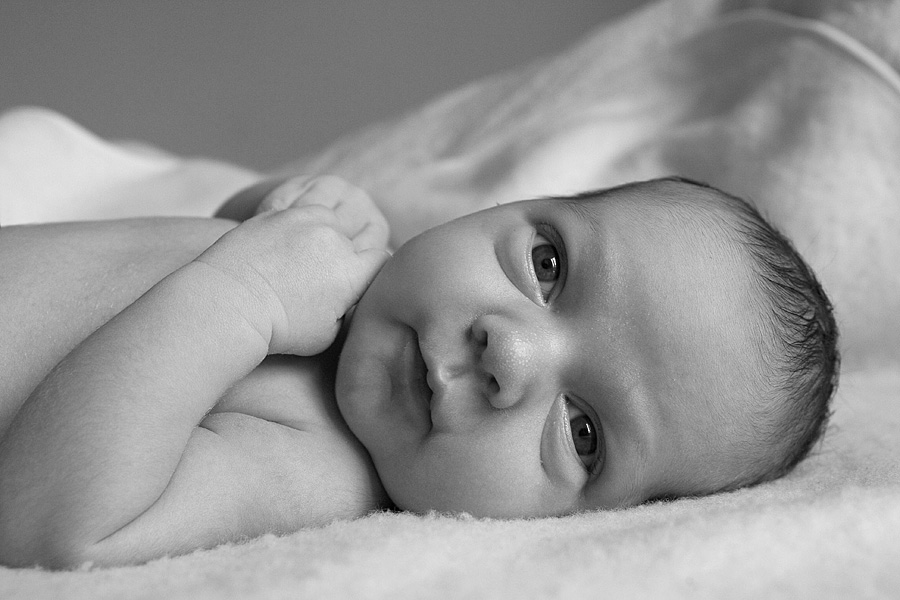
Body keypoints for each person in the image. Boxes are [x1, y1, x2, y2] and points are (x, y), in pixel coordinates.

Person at [0, 173, 838, 568]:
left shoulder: (314, 464)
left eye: (584, 433)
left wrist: (245, 290)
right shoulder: (352, 270)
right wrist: (280, 211)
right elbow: (188, 244)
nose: (511, 355)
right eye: (547, 265)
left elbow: (54, 523)